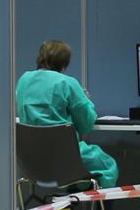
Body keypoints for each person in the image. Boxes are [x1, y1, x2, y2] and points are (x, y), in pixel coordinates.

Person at [16, 41, 118, 189]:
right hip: (65, 159)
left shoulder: (23, 80)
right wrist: (86, 101)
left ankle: (65, 209)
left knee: (73, 169)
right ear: (64, 63)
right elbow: (86, 124)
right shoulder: (67, 83)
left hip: (32, 163)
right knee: (107, 166)